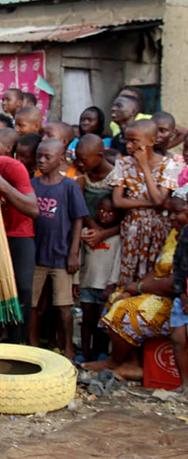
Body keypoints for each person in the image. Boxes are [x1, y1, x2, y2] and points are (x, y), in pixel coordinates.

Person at [84, 188, 188, 379]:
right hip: (162, 293)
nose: (171, 218)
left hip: (177, 300)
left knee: (127, 311)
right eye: (169, 213)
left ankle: (115, 361)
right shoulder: (175, 234)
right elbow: (157, 270)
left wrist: (138, 288)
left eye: (177, 213)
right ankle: (132, 364)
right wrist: (132, 289)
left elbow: (175, 283)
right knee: (117, 297)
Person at [0, 142, 40, 344]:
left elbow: (33, 209)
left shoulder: (11, 167)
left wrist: (2, 185)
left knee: (23, 289)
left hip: (18, 233)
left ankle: (18, 343)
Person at [29, 139, 89, 359]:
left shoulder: (69, 186)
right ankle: (32, 346)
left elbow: (78, 221)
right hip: (36, 255)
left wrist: (73, 252)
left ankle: (68, 350)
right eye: (39, 157)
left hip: (61, 255)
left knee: (63, 306)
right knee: (32, 304)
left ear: (60, 159)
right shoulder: (32, 185)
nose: (42, 161)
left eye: (47, 157)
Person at [111, 119, 179, 289]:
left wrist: (144, 167)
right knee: (128, 275)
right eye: (127, 140)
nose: (129, 145)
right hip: (132, 229)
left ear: (152, 141)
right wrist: (151, 203)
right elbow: (118, 201)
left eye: (134, 141)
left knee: (151, 275)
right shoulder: (123, 164)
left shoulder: (169, 165)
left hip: (158, 230)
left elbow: (159, 199)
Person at [79, 196, 122, 362]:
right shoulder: (86, 233)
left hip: (104, 287)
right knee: (87, 320)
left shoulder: (117, 239)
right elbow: (80, 258)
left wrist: (111, 285)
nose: (104, 215)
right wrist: (77, 281)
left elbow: (117, 263)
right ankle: (84, 352)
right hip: (87, 284)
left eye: (110, 212)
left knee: (101, 322)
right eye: (102, 210)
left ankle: (100, 352)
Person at [170, 185, 188, 392]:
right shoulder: (185, 234)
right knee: (178, 338)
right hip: (183, 293)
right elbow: (178, 265)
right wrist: (181, 294)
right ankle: (185, 384)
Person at [74, 134, 116, 220]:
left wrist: (102, 234)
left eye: (84, 161)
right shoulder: (81, 173)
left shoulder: (116, 177)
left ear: (100, 156)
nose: (80, 163)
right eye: (77, 159)